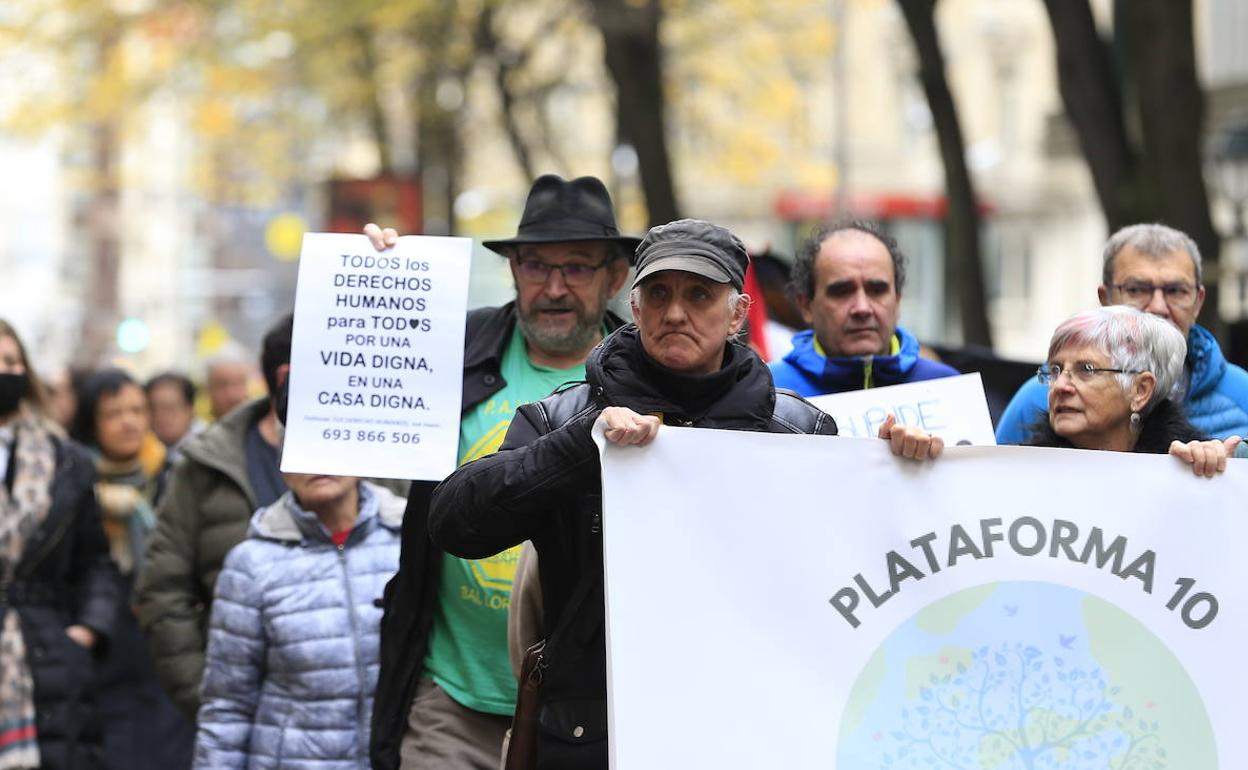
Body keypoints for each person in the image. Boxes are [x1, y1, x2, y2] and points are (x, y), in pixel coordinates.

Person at [427, 219, 941, 769]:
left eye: (699, 294)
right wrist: (585, 443)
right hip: (593, 737)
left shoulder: (799, 432)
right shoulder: (563, 419)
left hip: (748, 734)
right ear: (636, 305)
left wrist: (902, 476)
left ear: (738, 313)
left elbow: (868, 578)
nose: (676, 312)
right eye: (660, 293)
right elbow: (458, 522)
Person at [367, 174, 637, 770]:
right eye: (537, 266)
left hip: (590, 711)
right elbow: (352, 407)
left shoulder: (646, 375)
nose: (555, 287)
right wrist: (379, 275)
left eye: (577, 267)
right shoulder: (451, 349)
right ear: (513, 270)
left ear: (615, 277)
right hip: (454, 703)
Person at [193, 466, 405, 769]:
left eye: (331, 441)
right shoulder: (252, 563)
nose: (319, 462)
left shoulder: (406, 541)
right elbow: (228, 705)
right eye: (303, 447)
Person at [136, 315, 294, 721]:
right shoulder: (207, 462)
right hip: (244, 711)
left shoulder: (373, 464)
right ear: (286, 375)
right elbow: (163, 587)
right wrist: (205, 695)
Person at [997, 223, 1248, 444]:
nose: (1158, 307)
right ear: (1105, 299)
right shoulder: (1036, 399)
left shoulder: (1242, 394)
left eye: (1176, 291)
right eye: (1137, 289)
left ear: (1198, 302)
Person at [0, 320, 119, 769]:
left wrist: (87, 630)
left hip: (49, 651)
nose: (4, 372)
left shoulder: (65, 458)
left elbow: (95, 562)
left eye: (11, 361)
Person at [70, 369, 196, 770]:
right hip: (101, 653)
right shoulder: (69, 482)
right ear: (92, 422)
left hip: (166, 652)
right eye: (113, 413)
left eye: (137, 410)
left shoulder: (178, 476)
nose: (129, 422)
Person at [1024, 306, 1239, 474]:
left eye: (1087, 369)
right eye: (1055, 370)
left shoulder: (1185, 464)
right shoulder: (1024, 469)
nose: (1060, 385)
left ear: (1140, 391)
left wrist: (1211, 470)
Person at [770, 220, 958, 395]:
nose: (862, 308)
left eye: (877, 290)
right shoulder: (770, 392)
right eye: (842, 291)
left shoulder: (946, 387)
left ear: (897, 300)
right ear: (806, 306)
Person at [202, 346, 255, 422]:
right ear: (208, 390)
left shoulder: (264, 429)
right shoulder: (200, 430)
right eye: (222, 385)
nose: (231, 394)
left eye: (238, 383)